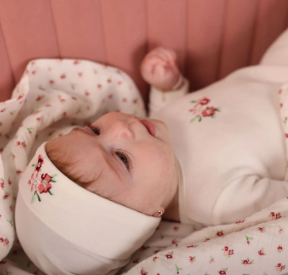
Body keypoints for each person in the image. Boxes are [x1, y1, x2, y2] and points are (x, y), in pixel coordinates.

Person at [15, 29, 288, 275]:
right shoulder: (218, 199)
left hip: (270, 69)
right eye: (121, 158)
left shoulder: (153, 138)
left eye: (94, 131)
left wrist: (168, 87)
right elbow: (281, 201)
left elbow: (169, 115)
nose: (119, 128)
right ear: (147, 216)